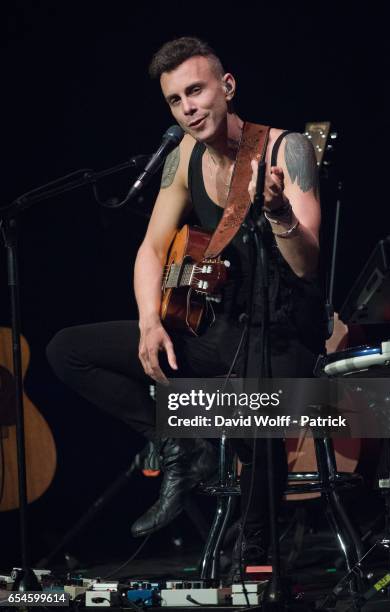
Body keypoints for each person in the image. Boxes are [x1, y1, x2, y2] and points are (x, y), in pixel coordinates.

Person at [47, 36, 326, 576]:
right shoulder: (183, 155)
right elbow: (151, 248)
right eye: (176, 101)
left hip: (283, 334)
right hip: (218, 333)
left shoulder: (286, 149)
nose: (188, 108)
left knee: (256, 410)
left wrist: (279, 214)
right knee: (68, 351)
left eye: (195, 91)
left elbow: (306, 265)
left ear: (227, 87)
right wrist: (150, 323)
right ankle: (180, 441)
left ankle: (254, 546)